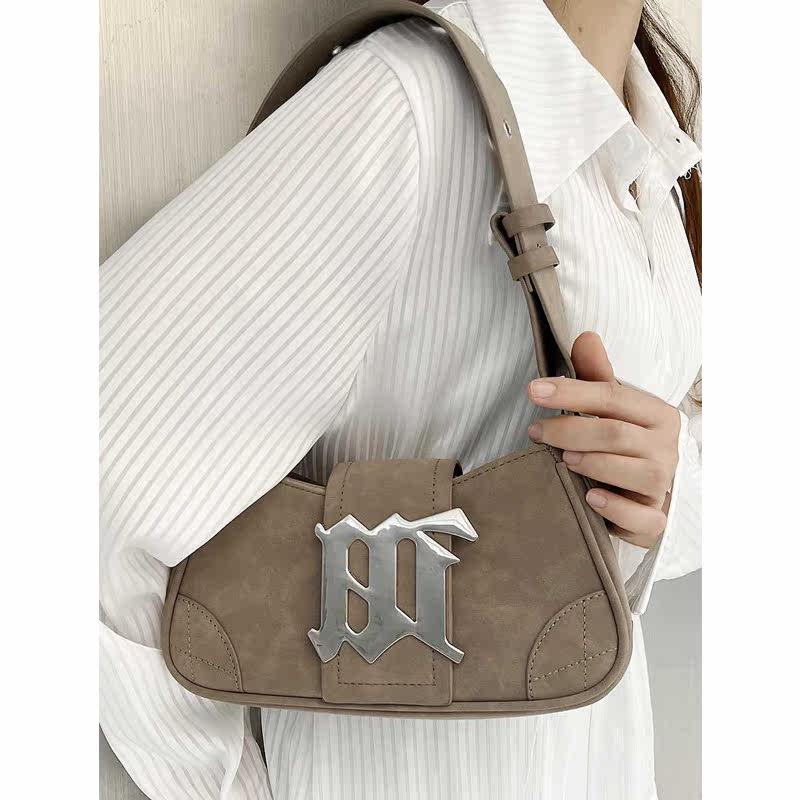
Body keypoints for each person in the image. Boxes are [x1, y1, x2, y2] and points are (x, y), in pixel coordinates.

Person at [99, 1, 702, 797]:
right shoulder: (407, 108)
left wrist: (668, 486)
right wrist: (226, 784)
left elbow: (673, 488)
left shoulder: (646, 150)